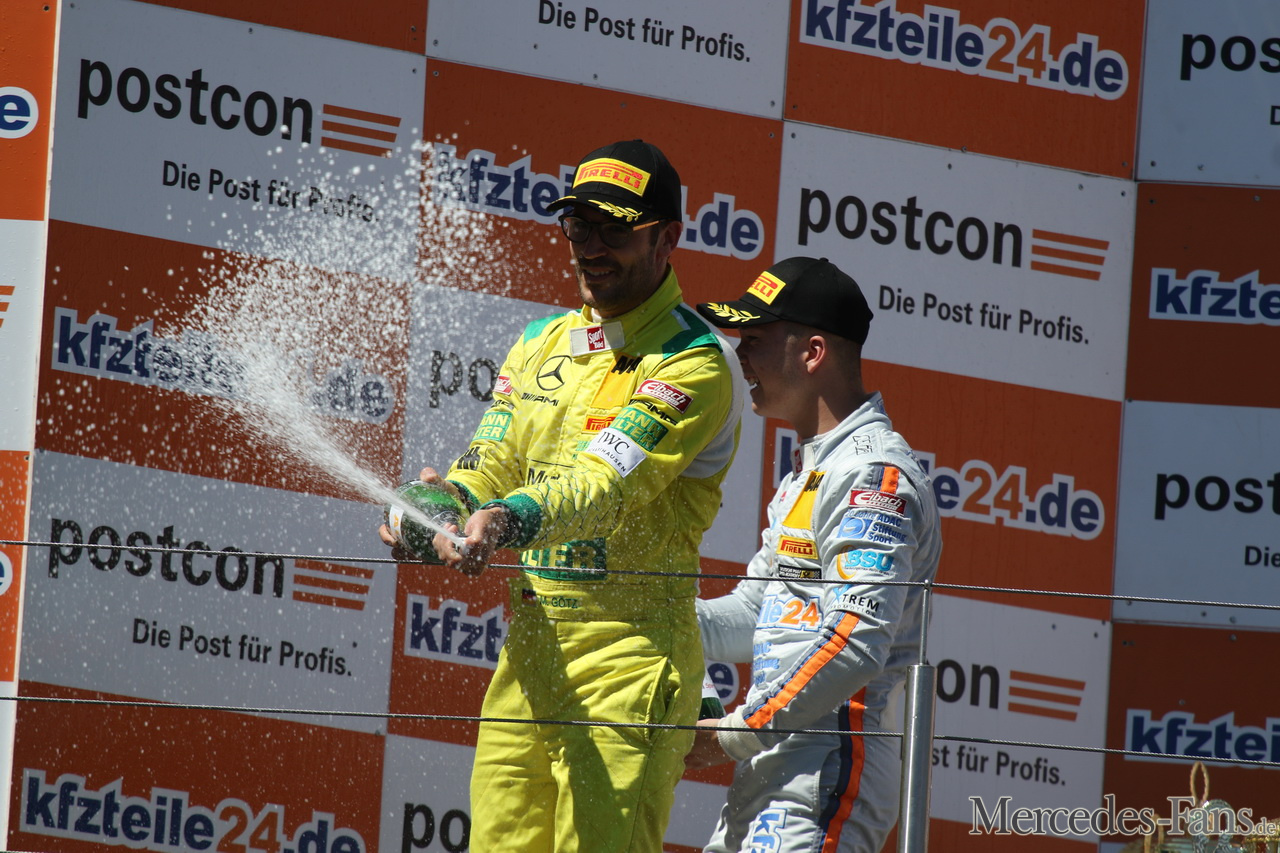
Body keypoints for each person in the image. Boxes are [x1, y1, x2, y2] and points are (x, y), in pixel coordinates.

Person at [382, 139, 743, 852]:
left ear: (667, 237)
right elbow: (489, 462)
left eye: (614, 230)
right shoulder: (540, 341)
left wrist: (505, 519)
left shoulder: (696, 361)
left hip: (627, 666)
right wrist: (441, 507)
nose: (591, 247)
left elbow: (603, 485)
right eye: (579, 226)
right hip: (529, 657)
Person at [687, 256, 942, 853]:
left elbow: (856, 640)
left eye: (754, 340)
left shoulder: (873, 473)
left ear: (813, 352)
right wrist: (647, 616)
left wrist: (733, 732)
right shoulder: (813, 471)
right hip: (777, 765)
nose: (739, 356)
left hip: (831, 769)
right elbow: (758, 613)